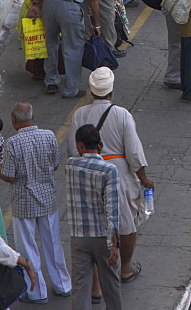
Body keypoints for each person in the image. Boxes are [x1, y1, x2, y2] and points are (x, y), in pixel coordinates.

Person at [69, 68, 153, 288]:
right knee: (125, 222)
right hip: (118, 171)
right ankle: (125, 268)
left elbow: (71, 149)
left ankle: (95, 279)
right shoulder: (122, 114)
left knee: (95, 222)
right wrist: (144, 178)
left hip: (88, 172)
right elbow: (133, 152)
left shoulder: (79, 114)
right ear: (111, 90)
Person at [0, 102, 72, 302]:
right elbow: (55, 164)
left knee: (28, 247)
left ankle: (36, 291)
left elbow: (9, 175)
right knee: (53, 243)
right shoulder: (48, 135)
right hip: (47, 198)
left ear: (14, 121)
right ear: (32, 117)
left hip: (23, 203)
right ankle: (62, 284)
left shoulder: (12, 143)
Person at [65, 123, 121, 310]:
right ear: (100, 144)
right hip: (102, 237)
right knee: (110, 285)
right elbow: (112, 209)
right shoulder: (109, 170)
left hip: (78, 236)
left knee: (80, 286)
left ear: (80, 145)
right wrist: (114, 244)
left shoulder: (71, 165)